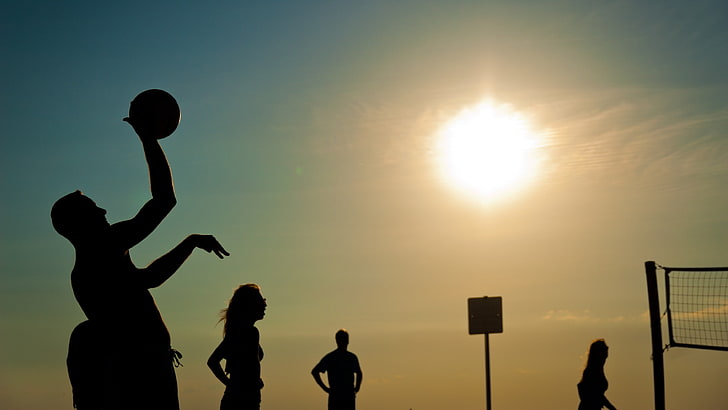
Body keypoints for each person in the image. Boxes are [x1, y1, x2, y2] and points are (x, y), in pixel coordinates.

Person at [52, 96, 229, 410]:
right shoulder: (105, 247)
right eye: (95, 210)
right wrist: (148, 139)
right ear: (80, 225)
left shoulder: (91, 266)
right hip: (140, 376)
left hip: (148, 366)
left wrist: (189, 242)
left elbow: (150, 278)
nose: (104, 210)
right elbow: (163, 200)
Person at [208, 284, 267, 410]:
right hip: (242, 401)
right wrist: (232, 384)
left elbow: (213, 361)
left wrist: (233, 384)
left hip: (244, 399)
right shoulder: (247, 332)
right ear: (249, 305)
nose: (265, 304)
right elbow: (212, 361)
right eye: (261, 301)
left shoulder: (241, 332)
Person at [311, 329, 363, 410]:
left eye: (344, 340)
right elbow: (314, 372)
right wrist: (325, 388)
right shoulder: (332, 357)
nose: (344, 342)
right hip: (339, 397)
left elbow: (359, 373)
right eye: (342, 340)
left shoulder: (350, 357)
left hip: (346, 397)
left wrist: (356, 389)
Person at [577, 339, 617, 410]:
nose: (605, 356)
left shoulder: (599, 370)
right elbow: (596, 394)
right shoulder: (591, 371)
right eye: (604, 353)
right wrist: (611, 407)